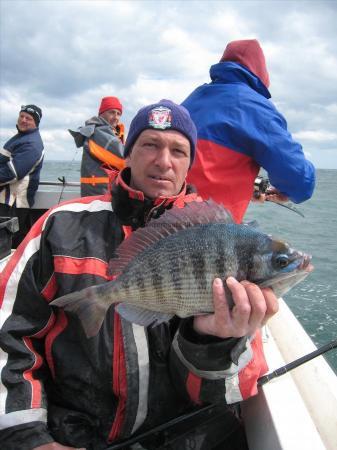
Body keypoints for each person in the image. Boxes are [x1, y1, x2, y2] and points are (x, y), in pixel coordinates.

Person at [0, 100, 279, 450]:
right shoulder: (60, 226)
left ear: (190, 163)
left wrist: (214, 342)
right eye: (150, 144)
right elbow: (9, 333)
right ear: (128, 155)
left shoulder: (224, 242)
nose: (164, 161)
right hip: (72, 433)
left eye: (178, 150)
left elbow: (226, 390)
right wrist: (28, 436)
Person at [182, 39, 316, 224]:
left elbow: (205, 166)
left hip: (163, 220)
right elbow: (300, 181)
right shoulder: (257, 108)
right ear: (262, 74)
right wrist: (286, 191)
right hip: (209, 231)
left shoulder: (192, 99)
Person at [0, 104, 44, 248]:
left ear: (35, 123)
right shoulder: (21, 137)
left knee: (7, 245)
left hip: (13, 203)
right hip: (7, 201)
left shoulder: (32, 143)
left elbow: (12, 173)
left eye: (29, 118)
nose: (23, 120)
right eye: (21, 116)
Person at [69, 96, 125, 197]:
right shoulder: (99, 133)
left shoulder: (101, 131)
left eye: (118, 114)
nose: (116, 117)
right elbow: (123, 158)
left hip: (98, 192)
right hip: (99, 194)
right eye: (111, 112)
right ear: (101, 114)